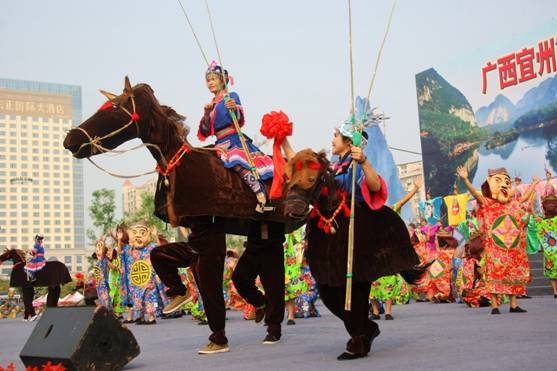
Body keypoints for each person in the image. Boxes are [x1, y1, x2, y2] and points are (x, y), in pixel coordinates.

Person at [457, 166, 537, 314]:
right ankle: (494, 305)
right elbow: (475, 194)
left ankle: (513, 304)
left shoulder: (512, 204)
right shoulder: (487, 203)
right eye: (498, 181)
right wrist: (465, 179)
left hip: (512, 249)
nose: (504, 186)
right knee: (494, 275)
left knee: (513, 274)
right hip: (495, 249)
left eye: (507, 182)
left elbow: (524, 198)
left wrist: (534, 183)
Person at [197, 62, 274, 212]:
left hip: (233, 139)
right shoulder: (211, 104)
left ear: (222, 80)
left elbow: (238, 120)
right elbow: (205, 132)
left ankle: (260, 194)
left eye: (213, 79)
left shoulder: (231, 96)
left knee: (235, 160)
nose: (210, 82)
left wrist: (233, 108)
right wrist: (207, 113)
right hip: (218, 143)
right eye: (208, 80)